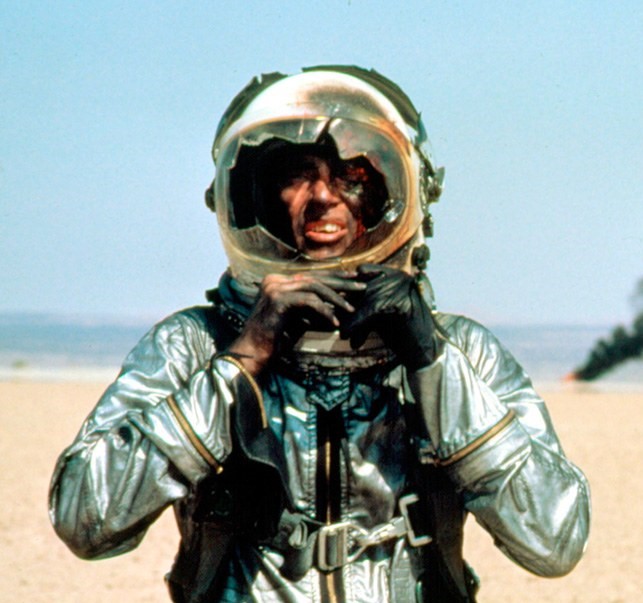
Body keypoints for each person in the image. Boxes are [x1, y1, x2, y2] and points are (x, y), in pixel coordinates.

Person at [49, 66, 590, 603]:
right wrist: (241, 362)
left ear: (393, 193)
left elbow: (553, 541)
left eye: (352, 176)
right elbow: (85, 521)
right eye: (296, 175)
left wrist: (432, 364)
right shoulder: (195, 345)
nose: (324, 196)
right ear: (256, 195)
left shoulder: (462, 353)